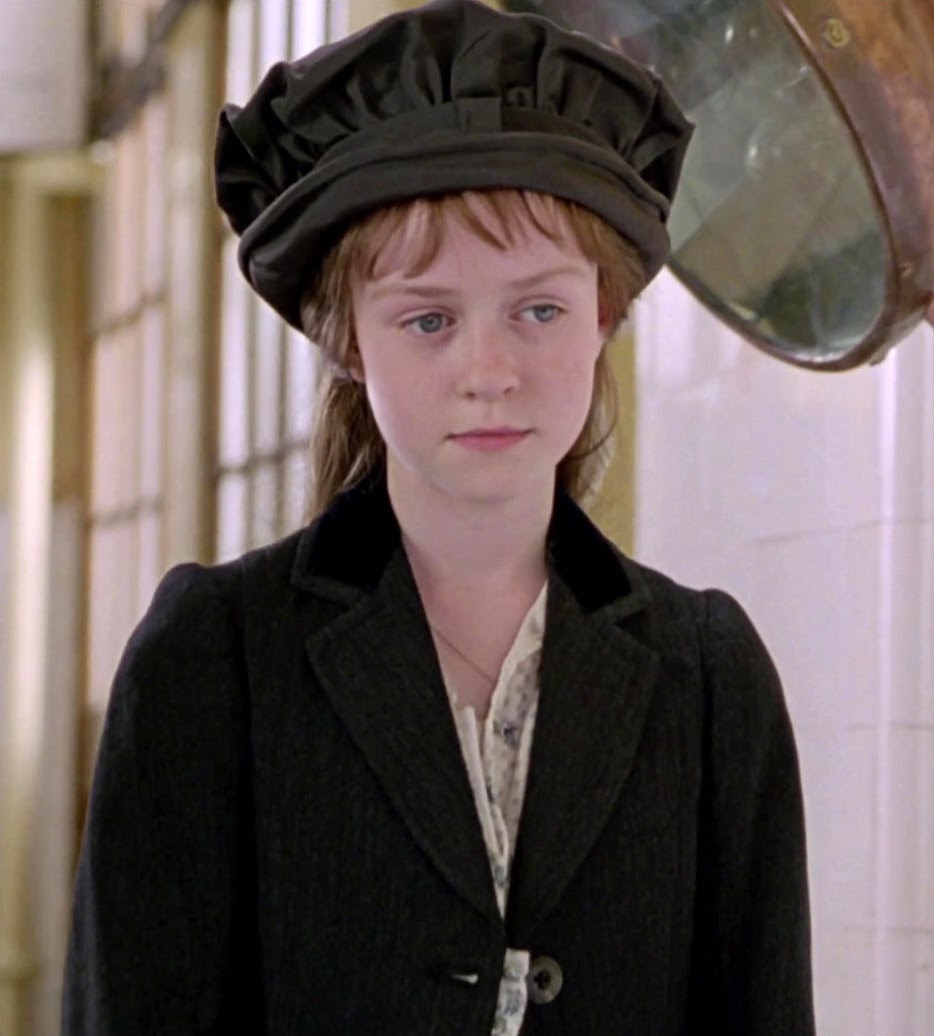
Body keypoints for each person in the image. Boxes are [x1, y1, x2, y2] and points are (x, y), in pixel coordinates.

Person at [61, 2, 816, 1034]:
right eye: (427, 319)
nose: (488, 371)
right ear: (347, 340)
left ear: (603, 314)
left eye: (539, 309)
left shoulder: (710, 677)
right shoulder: (213, 659)